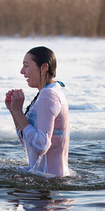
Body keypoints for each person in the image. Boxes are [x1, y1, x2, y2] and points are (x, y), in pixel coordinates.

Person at [5, 46, 71, 177]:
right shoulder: (47, 92)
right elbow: (27, 141)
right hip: (48, 178)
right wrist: (14, 111)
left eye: (26, 66)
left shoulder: (48, 94)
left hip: (50, 183)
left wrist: (18, 112)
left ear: (43, 68)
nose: (22, 71)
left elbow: (41, 146)